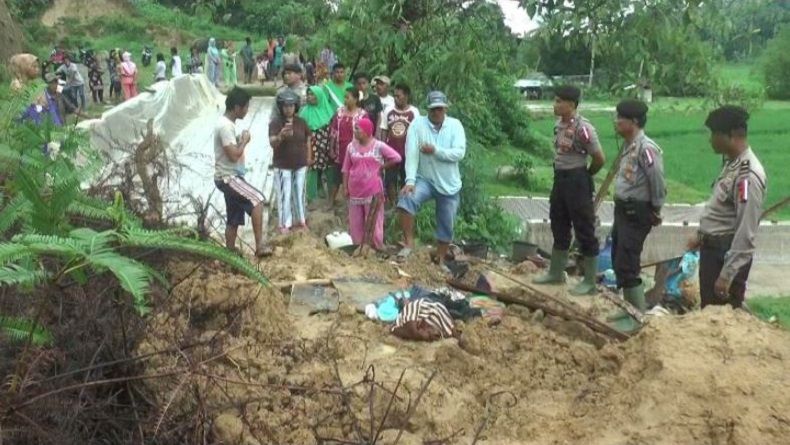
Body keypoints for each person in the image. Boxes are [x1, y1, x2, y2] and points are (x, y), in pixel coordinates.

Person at [689, 106, 766, 309]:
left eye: (714, 134)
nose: (710, 139)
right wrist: (700, 235)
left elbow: (745, 232)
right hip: (713, 251)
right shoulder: (732, 164)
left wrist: (727, 274)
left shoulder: (747, 176)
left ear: (730, 135)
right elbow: (722, 210)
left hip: (724, 256)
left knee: (723, 321)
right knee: (710, 314)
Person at [532, 85, 605, 295]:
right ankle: (556, 272)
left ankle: (589, 281)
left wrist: (586, 175)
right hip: (560, 179)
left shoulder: (584, 128)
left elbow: (599, 158)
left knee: (584, 228)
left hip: (577, 179)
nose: (555, 105)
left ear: (571, 105)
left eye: (558, 101)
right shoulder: (558, 126)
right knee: (559, 222)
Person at [607, 99, 666, 332]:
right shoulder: (629, 146)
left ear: (633, 122)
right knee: (618, 258)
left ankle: (636, 317)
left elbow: (657, 181)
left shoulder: (646, 148)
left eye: (620, 118)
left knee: (628, 261)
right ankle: (627, 308)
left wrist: (656, 209)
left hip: (636, 213)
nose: (616, 122)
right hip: (623, 211)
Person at [397, 91, 466, 273]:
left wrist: (435, 151)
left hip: (449, 184)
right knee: (406, 199)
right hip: (425, 179)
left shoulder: (455, 126)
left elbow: (459, 153)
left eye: (440, 109)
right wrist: (410, 180)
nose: (436, 112)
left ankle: (441, 259)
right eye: (433, 109)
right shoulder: (417, 125)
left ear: (445, 108)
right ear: (427, 109)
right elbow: (411, 153)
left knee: (446, 222)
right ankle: (409, 244)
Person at [214, 87, 271, 257]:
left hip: (225, 176)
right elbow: (233, 156)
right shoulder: (225, 127)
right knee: (257, 200)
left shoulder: (226, 124)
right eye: (246, 107)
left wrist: (239, 141)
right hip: (228, 177)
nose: (247, 111)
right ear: (237, 107)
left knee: (234, 216)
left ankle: (229, 251)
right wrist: (244, 142)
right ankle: (259, 246)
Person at [343, 117, 402, 250]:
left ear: (366, 131)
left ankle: (376, 248)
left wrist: (381, 167)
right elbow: (346, 169)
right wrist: (345, 187)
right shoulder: (350, 147)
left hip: (373, 192)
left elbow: (396, 158)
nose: (355, 131)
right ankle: (357, 248)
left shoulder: (378, 146)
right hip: (355, 192)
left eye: (357, 128)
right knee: (355, 223)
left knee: (375, 222)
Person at [269, 90, 312, 233]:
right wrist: (280, 136)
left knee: (300, 192)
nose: (289, 109)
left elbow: (308, 139)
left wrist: (309, 156)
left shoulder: (301, 122)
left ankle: (301, 220)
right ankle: (284, 224)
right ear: (281, 107)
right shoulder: (276, 123)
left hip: (300, 163)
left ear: (296, 106)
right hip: (282, 165)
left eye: (291, 106)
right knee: (284, 194)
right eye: (286, 106)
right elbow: (272, 143)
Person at [381, 83, 420, 207]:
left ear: (406, 96)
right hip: (391, 152)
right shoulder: (388, 110)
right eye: (395, 96)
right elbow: (383, 129)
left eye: (399, 96)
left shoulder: (414, 112)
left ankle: (404, 204)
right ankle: (393, 204)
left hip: (408, 152)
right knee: (390, 180)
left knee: (406, 178)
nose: (396, 98)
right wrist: (382, 149)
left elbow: (418, 131)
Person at [329, 88, 368, 207]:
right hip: (339, 150)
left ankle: (354, 203)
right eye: (344, 97)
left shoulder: (362, 115)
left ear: (356, 99)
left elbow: (366, 134)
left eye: (348, 97)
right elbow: (333, 131)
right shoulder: (339, 112)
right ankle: (331, 202)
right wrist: (331, 148)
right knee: (336, 177)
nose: (345, 100)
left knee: (354, 178)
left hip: (355, 152)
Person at [299, 85, 336, 201]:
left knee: (329, 168)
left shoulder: (329, 111)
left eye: (312, 94)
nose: (309, 97)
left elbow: (334, 130)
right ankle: (311, 196)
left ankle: (331, 195)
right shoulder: (304, 112)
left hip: (327, 144)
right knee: (313, 168)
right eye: (308, 94)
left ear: (319, 96)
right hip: (312, 145)